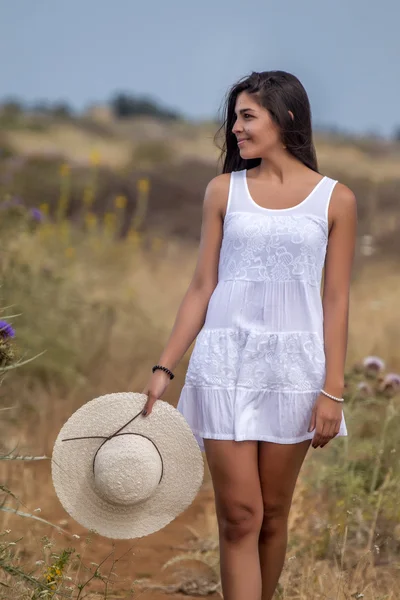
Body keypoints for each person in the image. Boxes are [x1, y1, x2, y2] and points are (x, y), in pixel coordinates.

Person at [142, 70, 357, 600]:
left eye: (247, 116)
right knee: (240, 516)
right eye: (234, 117)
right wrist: (164, 367)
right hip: (223, 364)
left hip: (295, 372)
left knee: (274, 515)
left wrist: (333, 389)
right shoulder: (223, 191)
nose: (235, 129)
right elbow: (201, 287)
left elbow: (336, 299)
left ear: (285, 117)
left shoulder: (336, 200)